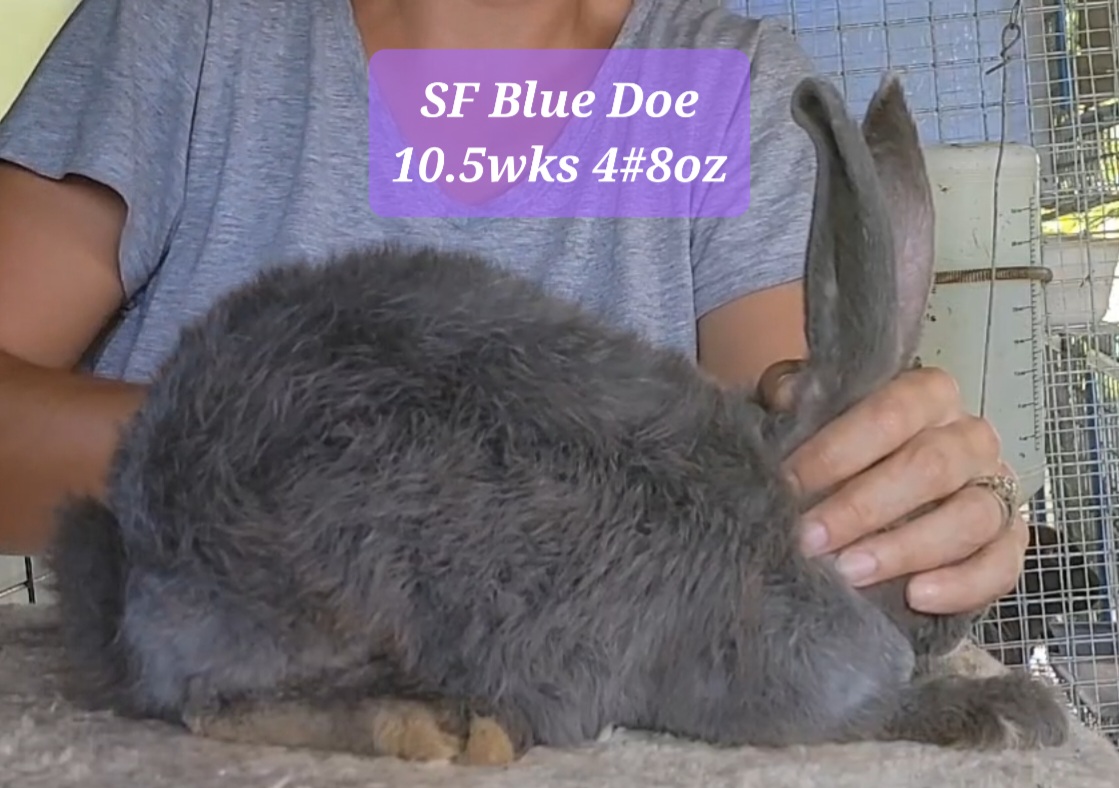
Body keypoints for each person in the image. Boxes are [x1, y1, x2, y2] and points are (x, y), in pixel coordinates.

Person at [0, 0, 1025, 618]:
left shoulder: (725, 89)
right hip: (191, 717)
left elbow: (786, 460)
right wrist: (337, 461)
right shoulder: (185, 32)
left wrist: (905, 493)